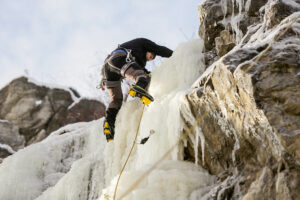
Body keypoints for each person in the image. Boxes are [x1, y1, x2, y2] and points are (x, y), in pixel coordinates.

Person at [100, 38, 173, 142]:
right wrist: (175, 54)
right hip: (118, 59)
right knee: (141, 77)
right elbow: (159, 49)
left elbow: (139, 69)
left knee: (116, 100)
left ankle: (109, 123)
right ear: (149, 50)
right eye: (151, 56)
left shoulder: (139, 60)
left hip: (107, 70)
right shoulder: (143, 43)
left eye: (151, 59)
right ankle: (138, 90)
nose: (150, 59)